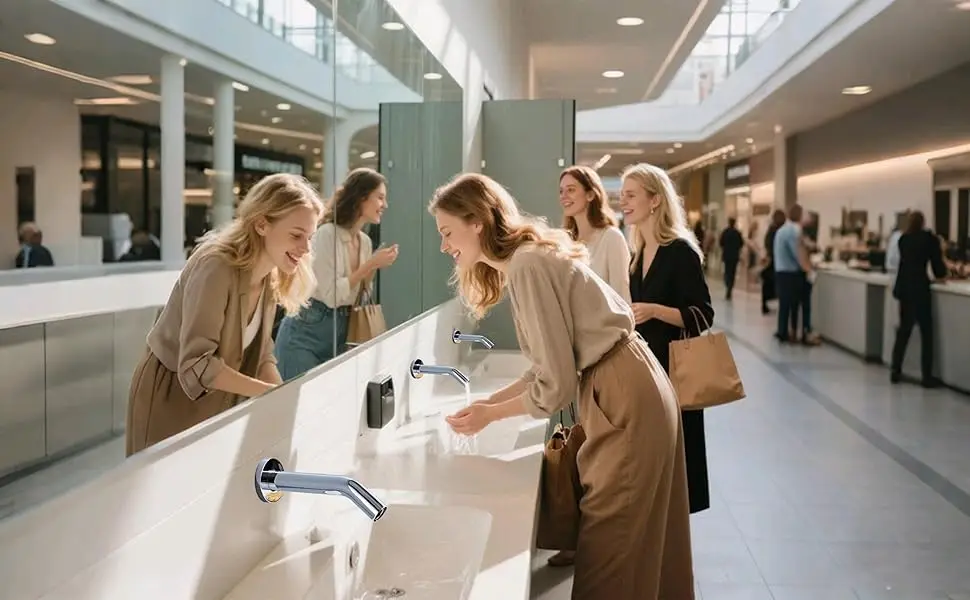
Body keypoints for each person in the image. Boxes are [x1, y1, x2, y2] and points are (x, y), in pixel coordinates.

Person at [435, 173, 694, 599]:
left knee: (611, 557)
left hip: (621, 391)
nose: (445, 245)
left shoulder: (527, 266)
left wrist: (490, 414)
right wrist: (488, 404)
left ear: (476, 221)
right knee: (639, 547)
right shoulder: (527, 259)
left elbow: (552, 389)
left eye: (448, 232)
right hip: (627, 380)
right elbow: (547, 369)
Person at [126, 173, 323, 455]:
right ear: (262, 224)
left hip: (216, 399)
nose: (305, 249)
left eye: (310, 237)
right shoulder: (216, 267)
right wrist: (266, 394)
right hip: (169, 399)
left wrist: (286, 398)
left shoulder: (268, 275)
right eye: (296, 235)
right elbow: (198, 363)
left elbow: (262, 356)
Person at [547, 164, 632, 567]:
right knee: (577, 451)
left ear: (591, 193)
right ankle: (575, 536)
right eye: (561, 190)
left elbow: (622, 304)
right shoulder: (565, 241)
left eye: (572, 189)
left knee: (597, 456)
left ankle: (596, 541)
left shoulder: (611, 238)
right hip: (574, 358)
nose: (565, 195)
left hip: (605, 359)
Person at [621, 162, 714, 516]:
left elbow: (704, 315)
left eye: (631, 196)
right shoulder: (638, 252)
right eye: (622, 196)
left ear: (655, 200)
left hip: (675, 370)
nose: (624, 203)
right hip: (647, 368)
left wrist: (656, 310)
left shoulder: (680, 251)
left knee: (678, 457)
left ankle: (672, 544)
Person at [274, 168, 398, 380]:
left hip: (340, 332)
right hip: (305, 335)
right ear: (361, 197)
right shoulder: (326, 235)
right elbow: (332, 295)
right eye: (380, 197)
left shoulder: (365, 242)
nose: (384, 205)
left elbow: (357, 293)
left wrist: (374, 265)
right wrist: (370, 265)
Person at [890, 210, 947, 387]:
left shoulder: (903, 239)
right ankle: (926, 376)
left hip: (904, 289)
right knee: (926, 333)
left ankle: (895, 369)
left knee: (904, 331)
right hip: (920, 289)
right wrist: (942, 274)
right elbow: (938, 267)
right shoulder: (929, 239)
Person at [773, 203, 805, 343]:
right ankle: (791, 332)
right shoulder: (793, 231)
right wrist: (806, 266)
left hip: (780, 271)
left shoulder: (781, 230)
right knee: (793, 304)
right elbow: (796, 252)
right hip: (790, 273)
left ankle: (781, 331)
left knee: (783, 303)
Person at [761, 209, 786, 314]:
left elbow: (767, 243)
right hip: (778, 262)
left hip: (773, 260)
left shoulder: (772, 230)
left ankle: (765, 303)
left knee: (768, 283)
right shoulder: (780, 231)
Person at [718, 217, 744, 300]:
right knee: (733, 272)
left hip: (726, 255)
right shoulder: (737, 233)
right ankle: (730, 287)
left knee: (727, 271)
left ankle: (727, 284)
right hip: (734, 256)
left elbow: (721, 243)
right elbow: (741, 243)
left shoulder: (725, 232)